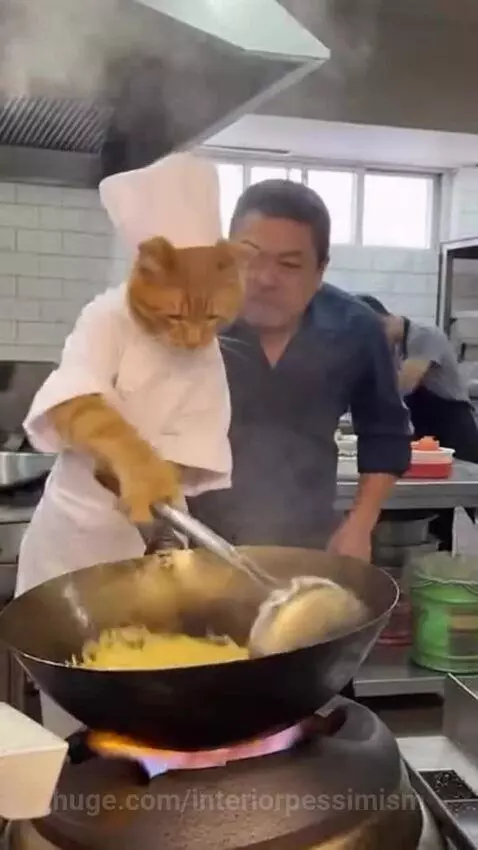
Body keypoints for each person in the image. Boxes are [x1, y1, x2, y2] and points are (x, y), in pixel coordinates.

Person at [15, 153, 242, 737]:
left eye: (211, 319)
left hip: (155, 548)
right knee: (78, 707)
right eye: (174, 317)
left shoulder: (207, 352)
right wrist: (135, 462)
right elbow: (70, 405)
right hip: (73, 544)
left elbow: (193, 450)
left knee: (158, 698)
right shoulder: (106, 319)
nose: (193, 337)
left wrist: (159, 499)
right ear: (145, 272)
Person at [189, 180, 410, 563]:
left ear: (320, 270)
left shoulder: (356, 328)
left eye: (289, 265)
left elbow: (385, 434)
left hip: (309, 541)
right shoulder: (190, 320)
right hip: (193, 537)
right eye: (249, 256)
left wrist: (359, 525)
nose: (264, 278)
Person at [358, 294, 478, 551]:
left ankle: (449, 564)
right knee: (433, 507)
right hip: (425, 433)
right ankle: (436, 559)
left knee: (462, 500)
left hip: (454, 429)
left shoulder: (424, 336)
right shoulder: (394, 346)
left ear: (381, 321)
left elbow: (405, 384)